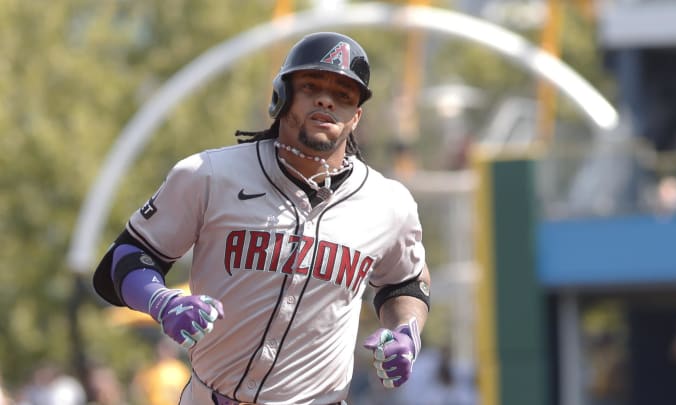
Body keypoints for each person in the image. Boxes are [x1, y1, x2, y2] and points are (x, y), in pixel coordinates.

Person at [92, 31, 431, 405]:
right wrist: (161, 301)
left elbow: (407, 282)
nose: (326, 100)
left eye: (343, 95)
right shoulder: (209, 174)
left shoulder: (388, 203)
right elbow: (124, 260)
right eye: (311, 86)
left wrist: (407, 331)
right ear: (281, 95)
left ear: (356, 116)